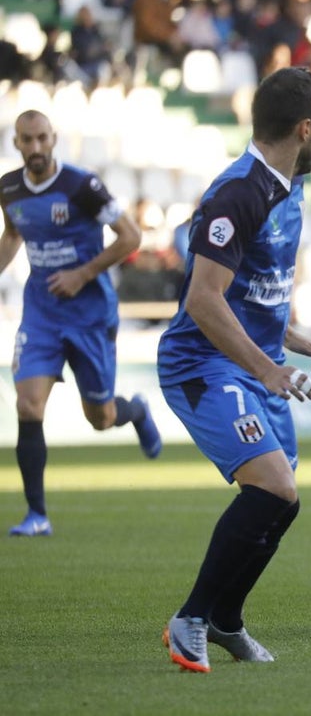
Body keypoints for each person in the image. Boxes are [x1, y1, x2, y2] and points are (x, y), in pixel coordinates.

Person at [158, 67, 311, 673]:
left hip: (251, 363)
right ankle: (190, 619)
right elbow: (204, 301)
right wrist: (267, 369)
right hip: (203, 363)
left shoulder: (291, 186)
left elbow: (250, 291)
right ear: (304, 128)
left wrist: (291, 336)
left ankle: (227, 621)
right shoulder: (237, 193)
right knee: (274, 487)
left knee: (284, 502)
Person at [0, 110, 162, 538]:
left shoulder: (81, 186)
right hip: (41, 313)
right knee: (27, 404)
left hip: (89, 314)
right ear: (16, 143)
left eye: (41, 139)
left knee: (101, 418)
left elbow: (130, 236)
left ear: (53, 139)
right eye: (26, 140)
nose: (34, 148)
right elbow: (13, 235)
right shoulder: (9, 188)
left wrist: (81, 274)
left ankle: (136, 410)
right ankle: (37, 515)